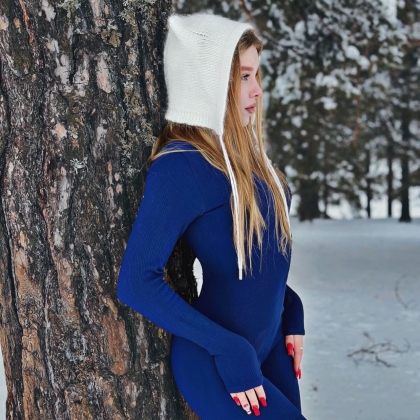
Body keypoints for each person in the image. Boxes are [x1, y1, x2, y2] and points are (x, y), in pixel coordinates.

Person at [117, 13, 306, 419]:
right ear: (210, 83)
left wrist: (292, 307)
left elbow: (257, 268)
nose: (257, 90)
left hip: (270, 347)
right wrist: (228, 348)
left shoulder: (249, 163)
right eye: (244, 77)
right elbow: (135, 282)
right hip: (216, 361)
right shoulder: (182, 166)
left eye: (257, 75)